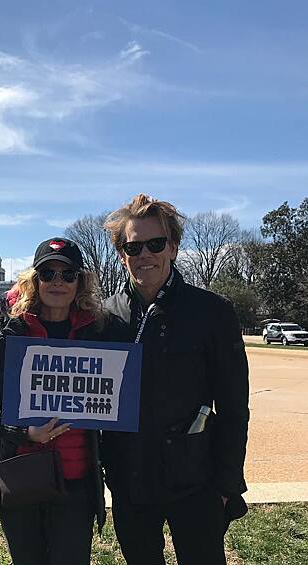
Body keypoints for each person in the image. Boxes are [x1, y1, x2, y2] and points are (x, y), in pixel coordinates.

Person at [101, 194, 249, 565]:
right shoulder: (105, 315)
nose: (144, 255)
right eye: (133, 247)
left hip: (195, 480)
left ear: (173, 248)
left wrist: (227, 483)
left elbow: (233, 407)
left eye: (155, 244)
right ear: (122, 255)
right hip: (129, 478)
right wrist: (5, 334)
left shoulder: (213, 312)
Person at [0, 237, 123, 565]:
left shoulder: (98, 335)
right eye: (47, 273)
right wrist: (24, 432)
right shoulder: (9, 337)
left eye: (67, 274)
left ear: (79, 281)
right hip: (22, 478)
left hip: (76, 483)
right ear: (34, 281)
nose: (57, 282)